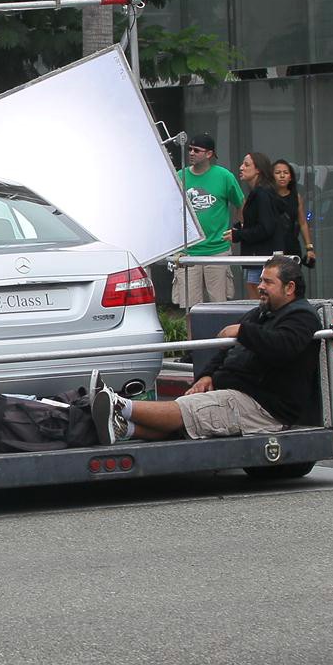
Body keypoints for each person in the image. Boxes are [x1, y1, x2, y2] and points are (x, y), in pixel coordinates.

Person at [89, 257, 318, 444]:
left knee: (188, 410)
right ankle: (124, 428)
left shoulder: (301, 317)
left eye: (268, 282)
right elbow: (224, 350)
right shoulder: (261, 313)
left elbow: (283, 347)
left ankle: (118, 404)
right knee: (189, 417)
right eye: (260, 280)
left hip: (263, 406)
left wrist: (243, 331)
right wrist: (208, 375)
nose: (260, 287)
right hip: (236, 393)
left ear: (290, 288)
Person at [173, 132, 244, 308]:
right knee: (190, 307)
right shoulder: (179, 176)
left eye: (196, 150)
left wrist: (238, 229)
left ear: (209, 154)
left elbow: (241, 203)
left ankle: (220, 336)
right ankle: (192, 337)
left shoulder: (224, 176)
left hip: (217, 249)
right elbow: (169, 211)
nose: (191, 153)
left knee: (219, 305)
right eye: (189, 149)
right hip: (188, 251)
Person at [227, 151, 285, 298]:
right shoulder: (261, 193)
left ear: (258, 169)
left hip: (261, 257)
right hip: (260, 256)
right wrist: (240, 228)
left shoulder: (262, 194)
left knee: (260, 301)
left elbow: (266, 228)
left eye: (246, 164)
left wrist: (239, 234)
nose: (241, 167)